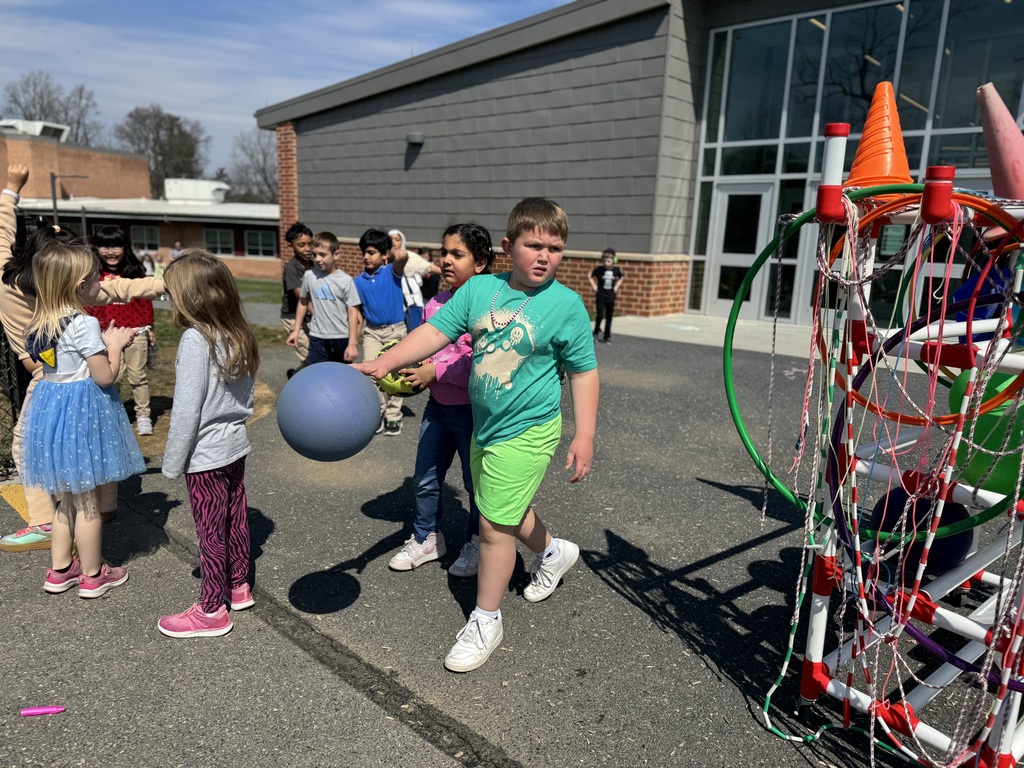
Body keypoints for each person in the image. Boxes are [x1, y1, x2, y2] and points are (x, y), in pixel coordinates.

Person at [355, 198, 599, 672]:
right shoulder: (481, 290)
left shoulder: (566, 306)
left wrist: (584, 434)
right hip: (486, 426)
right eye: (534, 245)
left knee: (490, 526)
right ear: (509, 246)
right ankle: (553, 551)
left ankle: (486, 619)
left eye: (556, 248)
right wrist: (387, 361)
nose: (545, 256)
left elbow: (584, 373)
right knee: (502, 511)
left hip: (530, 430)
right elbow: (435, 333)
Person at [0, 164, 164, 554]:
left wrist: (11, 189)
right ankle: (103, 507)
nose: (96, 282)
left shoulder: (17, 285)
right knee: (96, 440)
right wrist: (165, 284)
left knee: (29, 445)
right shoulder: (78, 298)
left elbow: (2, 233)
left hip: (51, 379)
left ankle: (44, 521)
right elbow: (119, 288)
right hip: (83, 374)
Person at [22, 244, 145, 597]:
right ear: (79, 285)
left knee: (64, 499)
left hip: (51, 412)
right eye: (96, 279)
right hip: (81, 415)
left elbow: (45, 366)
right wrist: (116, 344)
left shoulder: (40, 322)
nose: (101, 284)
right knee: (88, 501)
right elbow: (105, 377)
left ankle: (60, 569)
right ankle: (93, 575)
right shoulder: (84, 323)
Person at [158, 249, 260, 638]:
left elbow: (186, 410)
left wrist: (172, 463)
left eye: (172, 292)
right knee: (235, 519)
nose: (169, 299)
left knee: (210, 531)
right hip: (235, 445)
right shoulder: (237, 333)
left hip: (204, 455)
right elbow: (243, 400)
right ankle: (239, 584)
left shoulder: (194, 339)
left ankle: (211, 608)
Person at [387, 223, 494, 576]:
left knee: (474, 483)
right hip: (437, 409)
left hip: (472, 414)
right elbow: (427, 351)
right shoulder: (435, 303)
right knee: (426, 478)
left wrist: (436, 372)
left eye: (457, 254)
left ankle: (478, 542)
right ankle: (427, 538)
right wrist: (411, 377)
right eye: (444, 252)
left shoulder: (489, 308)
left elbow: (482, 361)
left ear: (480, 263)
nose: (446, 260)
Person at [85, 225, 157, 436]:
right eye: (104, 246)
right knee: (113, 376)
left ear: (125, 248)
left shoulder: (136, 272)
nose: (110, 251)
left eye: (116, 245)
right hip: (107, 334)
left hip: (136, 331)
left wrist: (150, 328)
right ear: (96, 248)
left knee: (138, 376)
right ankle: (113, 414)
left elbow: (145, 302)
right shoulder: (93, 274)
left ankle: (143, 415)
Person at [354, 228, 408, 436]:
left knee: (395, 374)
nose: (366, 257)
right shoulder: (358, 281)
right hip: (372, 333)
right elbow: (358, 313)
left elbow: (402, 256)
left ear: (384, 254)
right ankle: (378, 413)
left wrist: (392, 250)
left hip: (395, 330)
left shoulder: (392, 271)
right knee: (372, 374)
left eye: (371, 252)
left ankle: (393, 416)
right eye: (364, 252)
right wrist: (354, 340)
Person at [286, 231, 361, 365]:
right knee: (317, 374)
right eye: (315, 255)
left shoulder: (346, 280)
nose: (317, 259)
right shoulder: (309, 276)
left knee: (342, 377)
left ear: (336, 255)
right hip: (317, 337)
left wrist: (352, 344)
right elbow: (303, 303)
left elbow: (353, 312)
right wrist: (296, 330)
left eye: (323, 255)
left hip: (341, 337)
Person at [280, 222, 314, 378]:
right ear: (291, 246)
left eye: (310, 244)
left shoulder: (316, 264)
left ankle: (296, 375)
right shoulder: (291, 268)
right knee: (309, 355)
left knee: (318, 354)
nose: (307, 248)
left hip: (312, 315)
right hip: (294, 317)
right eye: (301, 245)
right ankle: (297, 379)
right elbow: (302, 296)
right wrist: (320, 315)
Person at [389, 229, 439, 331]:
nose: (393, 242)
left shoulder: (410, 257)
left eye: (397, 239)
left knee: (414, 336)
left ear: (402, 242)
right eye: (390, 239)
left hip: (412, 304)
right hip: (394, 307)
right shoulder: (383, 260)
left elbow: (432, 268)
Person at [589, 248, 624, 343]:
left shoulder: (616, 270)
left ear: (614, 260)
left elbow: (621, 277)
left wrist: (616, 286)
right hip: (600, 296)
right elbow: (590, 275)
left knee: (609, 317)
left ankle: (607, 335)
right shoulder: (599, 270)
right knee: (600, 315)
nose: (606, 263)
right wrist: (594, 285)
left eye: (609, 261)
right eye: (604, 261)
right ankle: (595, 333)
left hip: (610, 296)